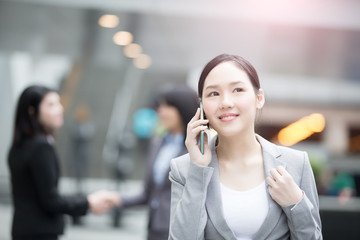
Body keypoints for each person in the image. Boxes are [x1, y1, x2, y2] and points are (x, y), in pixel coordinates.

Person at [168, 54, 322, 240]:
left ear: (259, 98)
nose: (225, 103)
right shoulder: (184, 169)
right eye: (213, 93)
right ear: (201, 106)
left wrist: (296, 204)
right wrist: (198, 170)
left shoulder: (297, 164)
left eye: (238, 89)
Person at [7, 85, 119, 240]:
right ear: (32, 111)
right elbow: (51, 200)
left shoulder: (20, 146)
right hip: (40, 233)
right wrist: (88, 203)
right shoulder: (41, 147)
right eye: (51, 105)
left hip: (23, 230)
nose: (60, 109)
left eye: (59, 103)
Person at [115, 84, 198, 240]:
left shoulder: (199, 149)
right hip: (153, 230)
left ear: (183, 108)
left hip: (182, 233)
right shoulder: (157, 144)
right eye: (160, 106)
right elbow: (149, 194)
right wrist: (118, 200)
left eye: (167, 106)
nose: (160, 111)